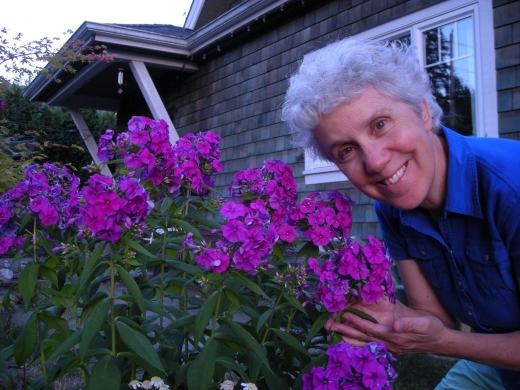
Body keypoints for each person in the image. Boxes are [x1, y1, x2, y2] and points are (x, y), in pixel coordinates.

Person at [281, 38, 520, 389]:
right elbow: (436, 319)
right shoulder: (392, 206)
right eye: (347, 150)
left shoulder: (510, 187)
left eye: (380, 124)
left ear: (423, 112)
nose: (375, 162)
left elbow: (445, 337)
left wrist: (445, 342)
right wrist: (377, 316)